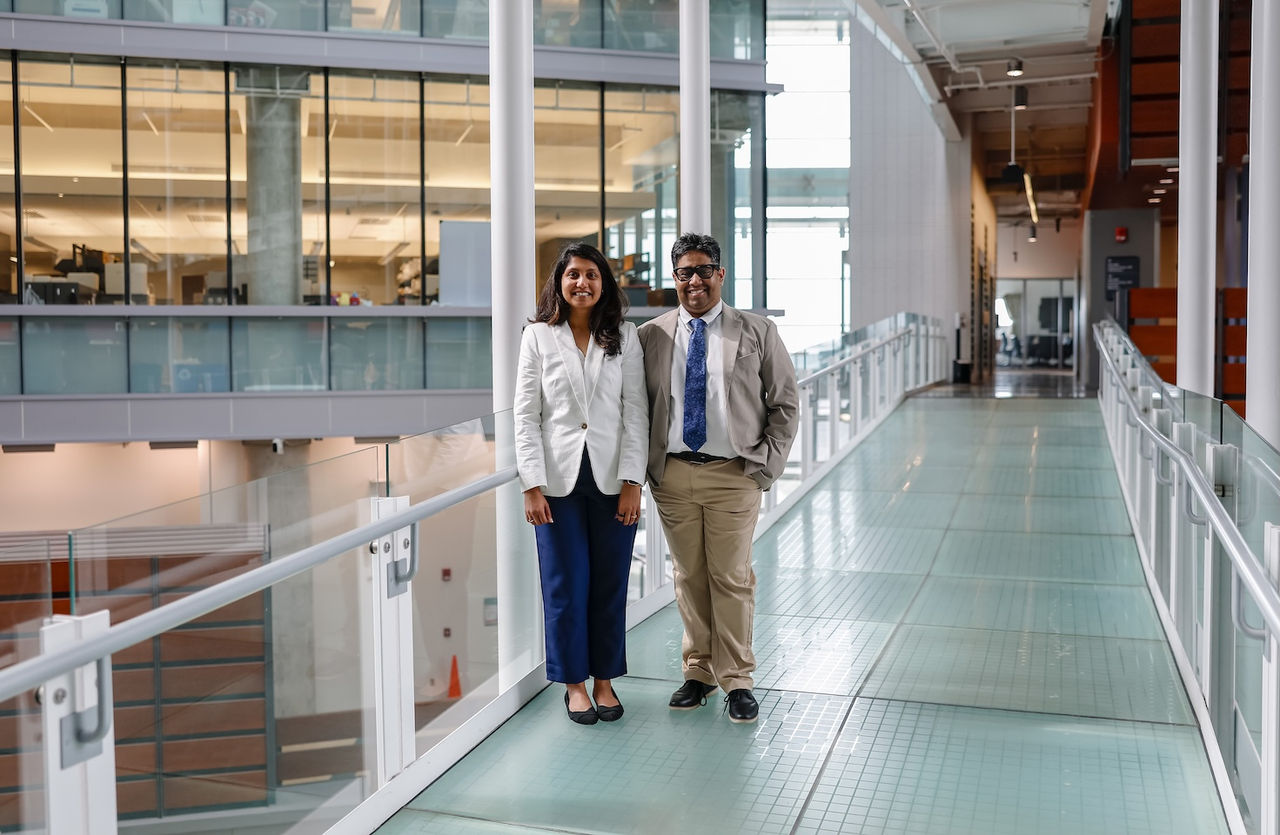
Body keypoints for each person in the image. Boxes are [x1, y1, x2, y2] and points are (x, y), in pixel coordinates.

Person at [638, 232, 798, 724]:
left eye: (703, 270)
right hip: (673, 476)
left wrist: (762, 469)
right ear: (675, 278)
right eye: (684, 272)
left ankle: (738, 680)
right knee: (688, 577)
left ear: (720, 274)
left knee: (729, 577)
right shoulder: (652, 335)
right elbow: (635, 409)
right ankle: (699, 671)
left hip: (733, 475)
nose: (694, 280)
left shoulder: (756, 331)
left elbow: (785, 402)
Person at [514, 242, 648, 725]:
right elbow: (526, 415)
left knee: (610, 585)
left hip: (613, 479)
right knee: (565, 585)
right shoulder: (537, 337)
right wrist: (531, 483)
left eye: (592, 275)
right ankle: (573, 684)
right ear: (560, 281)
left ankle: (605, 681)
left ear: (604, 283)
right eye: (574, 275)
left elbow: (636, 411)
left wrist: (634, 479)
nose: (582, 283)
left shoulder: (624, 337)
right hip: (555, 483)